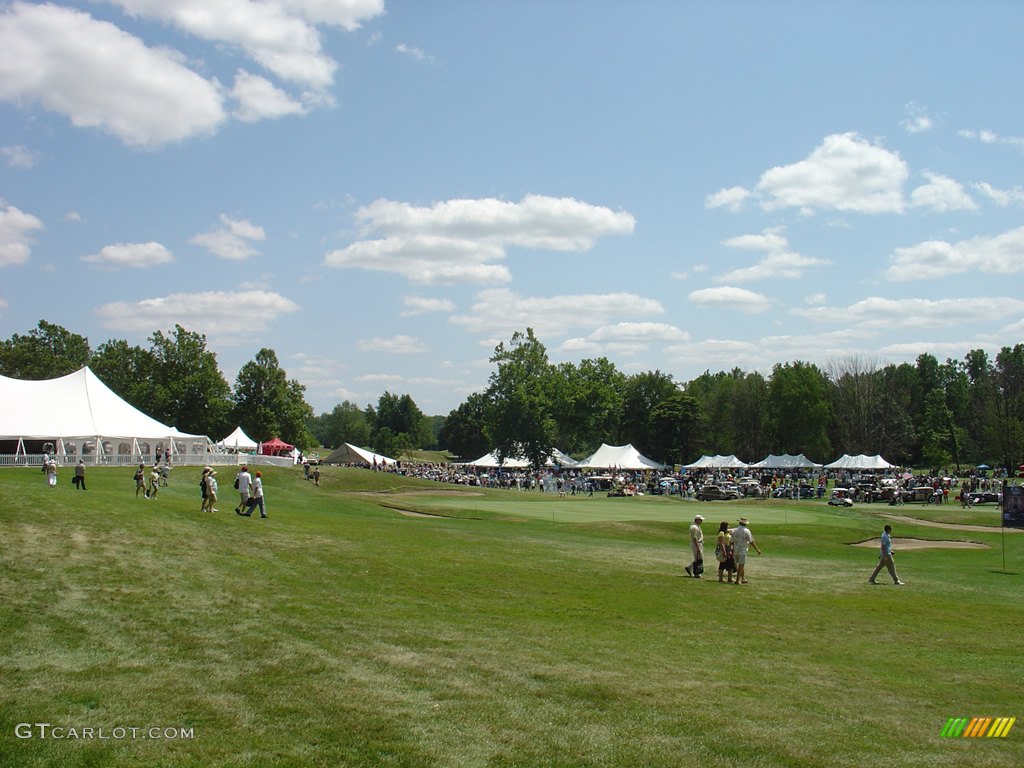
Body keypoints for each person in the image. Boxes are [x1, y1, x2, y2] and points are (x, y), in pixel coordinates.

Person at [731, 517, 762, 585]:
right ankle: (737, 580)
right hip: (742, 550)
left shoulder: (734, 530)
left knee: (740, 565)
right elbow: (751, 541)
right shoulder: (746, 531)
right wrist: (757, 549)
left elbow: (732, 541)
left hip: (735, 549)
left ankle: (743, 578)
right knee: (741, 565)